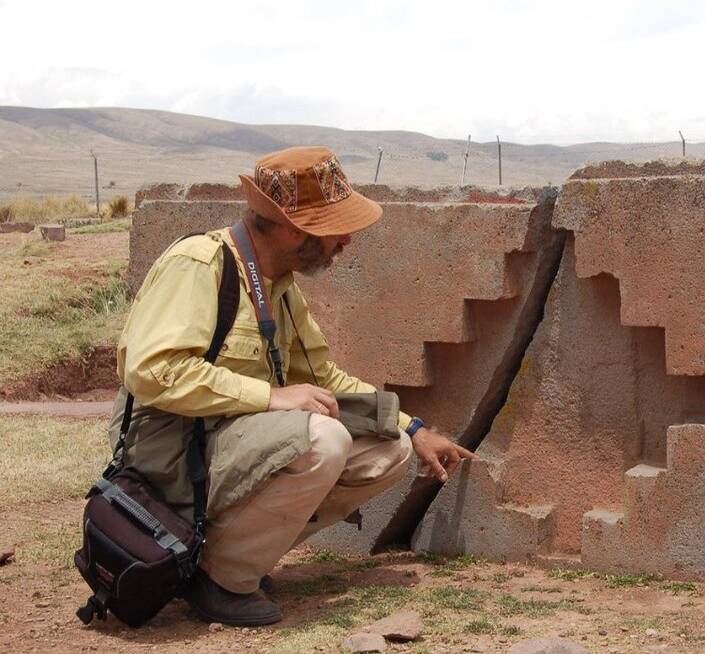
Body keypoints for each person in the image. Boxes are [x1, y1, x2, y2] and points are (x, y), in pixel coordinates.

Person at [113, 146, 474, 626]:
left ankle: (222, 559)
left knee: (388, 452)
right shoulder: (199, 264)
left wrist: (412, 429)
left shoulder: (279, 287)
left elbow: (325, 380)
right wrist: (270, 396)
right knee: (323, 439)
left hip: (227, 444)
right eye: (334, 227)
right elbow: (153, 372)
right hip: (169, 453)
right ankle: (222, 583)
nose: (346, 239)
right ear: (291, 228)